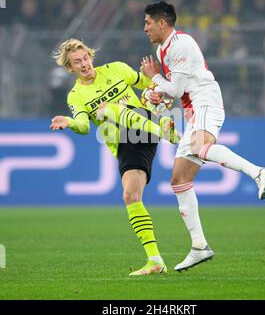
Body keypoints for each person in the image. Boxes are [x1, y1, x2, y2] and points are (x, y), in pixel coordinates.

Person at [140, 1, 265, 272]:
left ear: (162, 23)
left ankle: (258, 172)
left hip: (206, 102)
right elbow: (176, 91)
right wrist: (160, 97)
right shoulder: (162, 48)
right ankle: (199, 246)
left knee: (202, 148)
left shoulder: (180, 45)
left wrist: (154, 79)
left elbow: (177, 89)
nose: (144, 28)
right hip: (193, 109)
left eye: (148, 22)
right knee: (179, 179)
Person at [50, 38, 179, 276]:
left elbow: (148, 84)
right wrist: (68, 122)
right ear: (70, 68)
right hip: (125, 144)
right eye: (77, 62)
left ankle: (166, 130)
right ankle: (155, 260)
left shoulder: (117, 69)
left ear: (91, 56)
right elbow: (83, 126)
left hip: (145, 126)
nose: (84, 64)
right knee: (130, 196)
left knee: (107, 108)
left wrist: (159, 89)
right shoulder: (76, 96)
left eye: (86, 58)